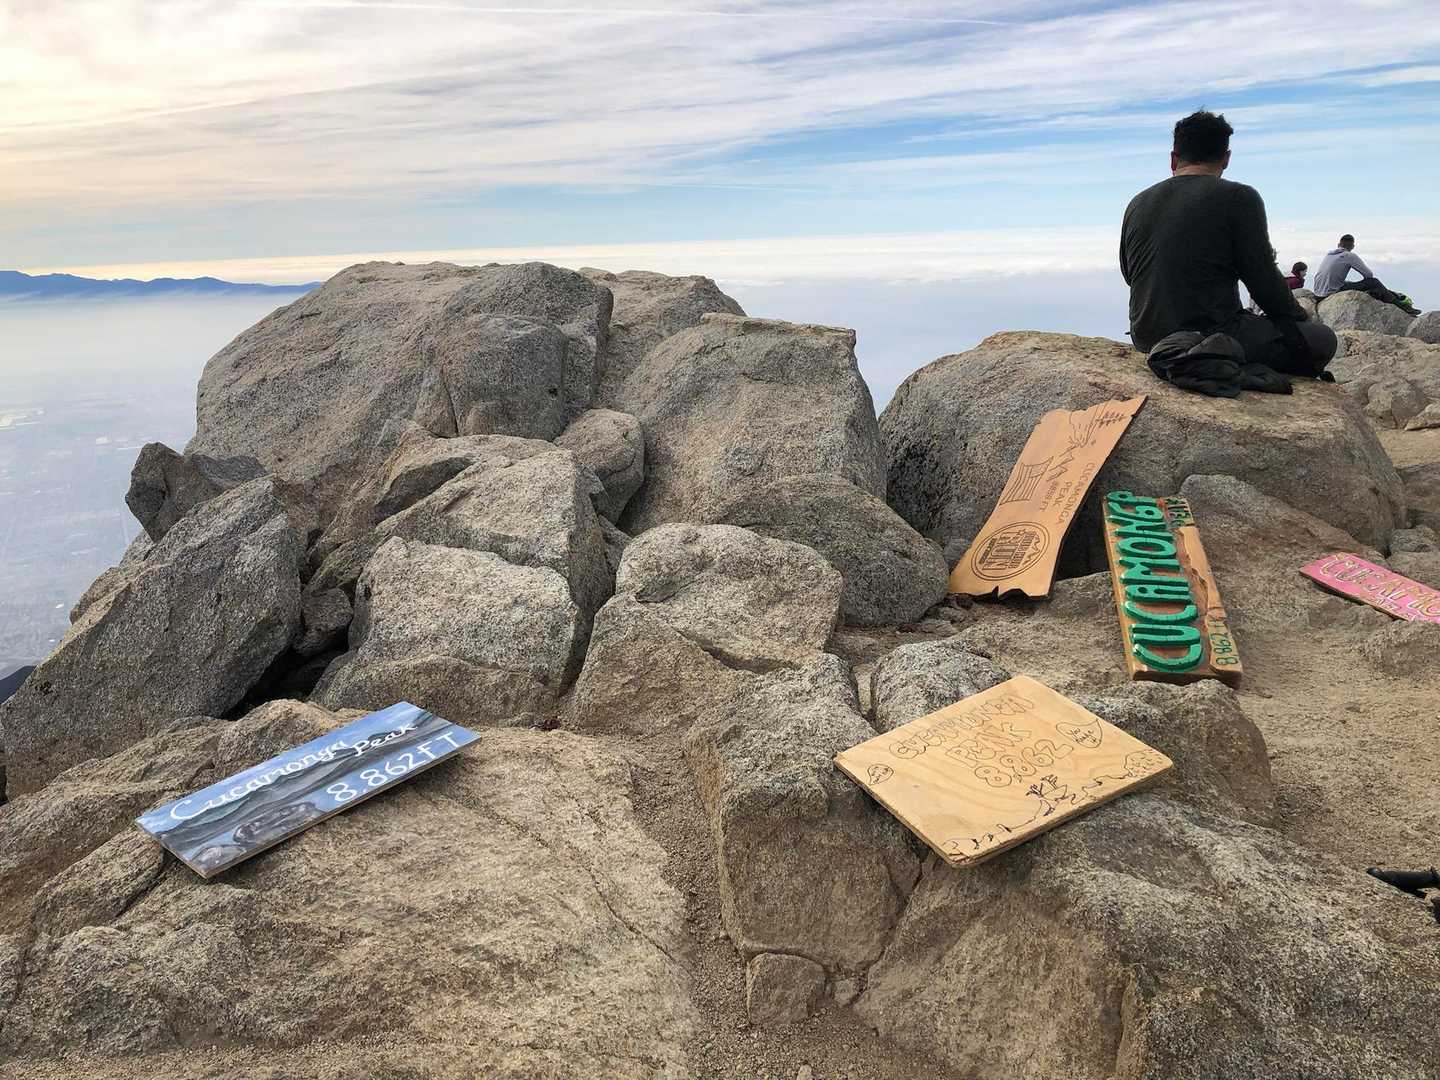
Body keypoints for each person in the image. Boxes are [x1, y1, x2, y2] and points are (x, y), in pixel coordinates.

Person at [1120, 110, 1336, 389]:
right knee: (1322, 338)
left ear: (1174, 158)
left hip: (1147, 338)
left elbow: (1130, 274)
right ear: (1226, 158)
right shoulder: (1239, 197)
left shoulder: (1137, 202)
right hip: (1210, 336)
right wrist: (1297, 318)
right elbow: (1263, 283)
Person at [1313, 235, 1420, 315]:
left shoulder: (1329, 255)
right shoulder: (1349, 255)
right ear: (1352, 246)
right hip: (1331, 292)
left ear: (1338, 244)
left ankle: (1390, 297)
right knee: (1374, 282)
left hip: (1318, 294)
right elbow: (1369, 274)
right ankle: (1402, 307)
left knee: (1351, 283)